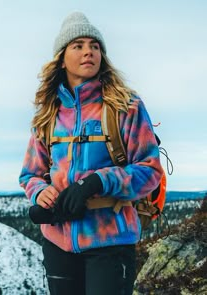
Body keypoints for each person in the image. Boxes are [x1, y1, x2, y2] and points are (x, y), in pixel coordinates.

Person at [19, 11, 163, 295]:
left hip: (110, 241)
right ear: (62, 57)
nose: (89, 52)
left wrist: (97, 182)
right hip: (57, 241)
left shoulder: (126, 105)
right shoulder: (49, 113)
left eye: (94, 46)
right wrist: (40, 192)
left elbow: (150, 170)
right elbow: (30, 173)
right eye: (78, 45)